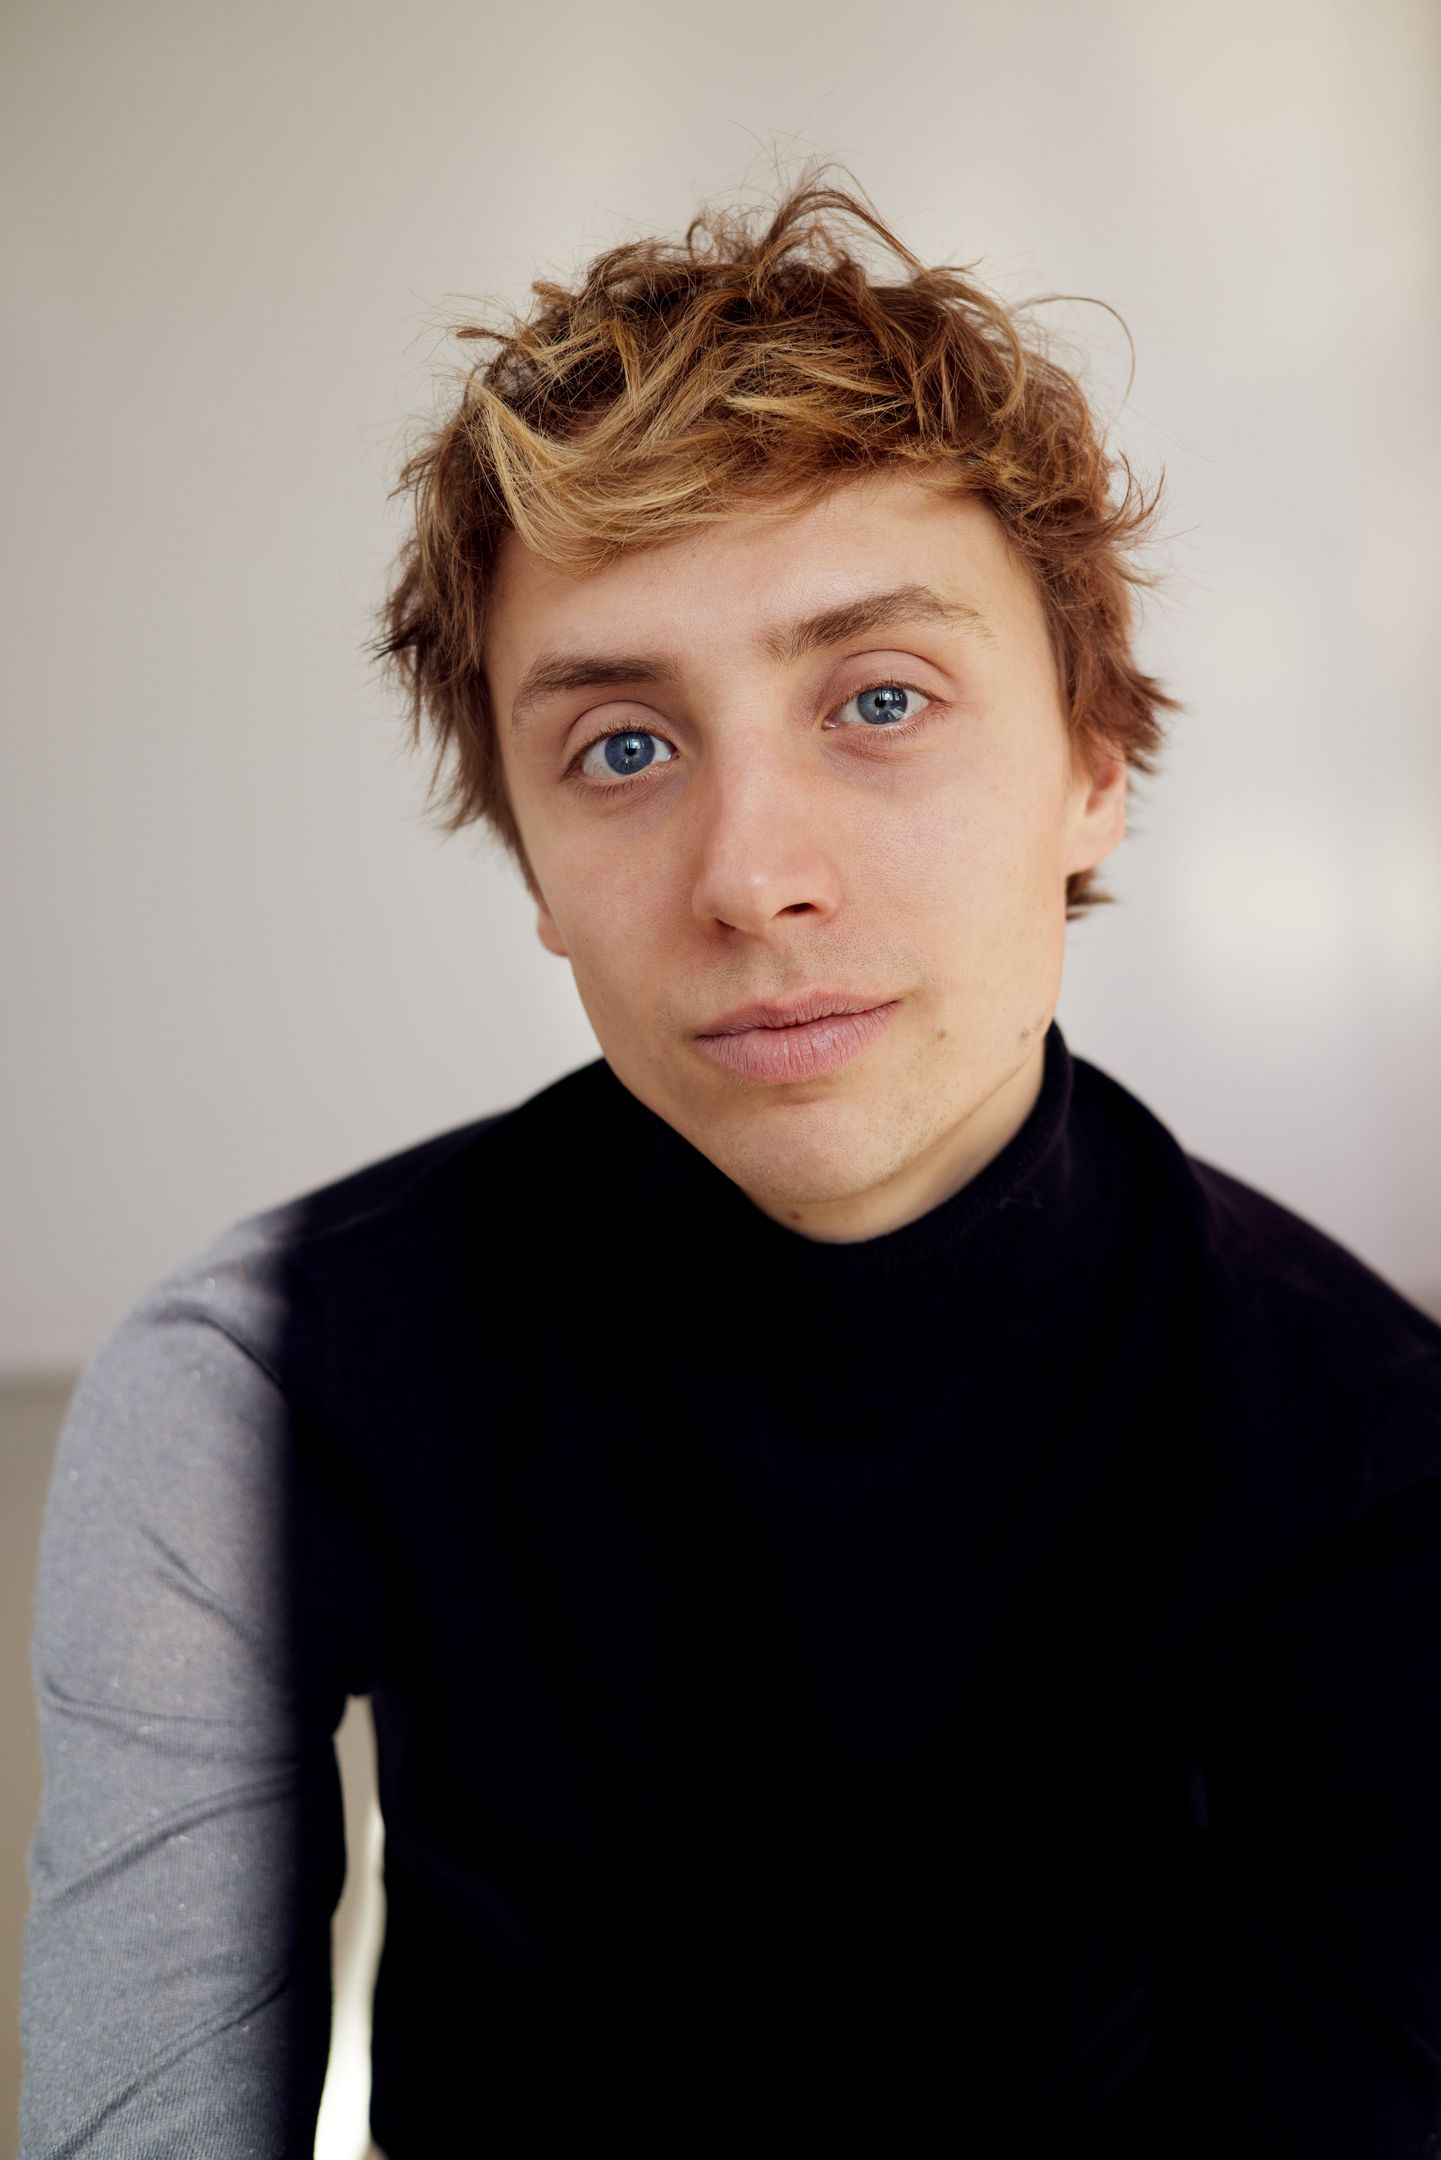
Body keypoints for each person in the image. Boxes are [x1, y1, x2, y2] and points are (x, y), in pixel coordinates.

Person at [20, 174, 1441, 2159]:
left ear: (1091, 768)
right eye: (620, 747)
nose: (751, 878)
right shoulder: (258, 1381)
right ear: (530, 862)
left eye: (880, 700)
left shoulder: (1371, 1449)